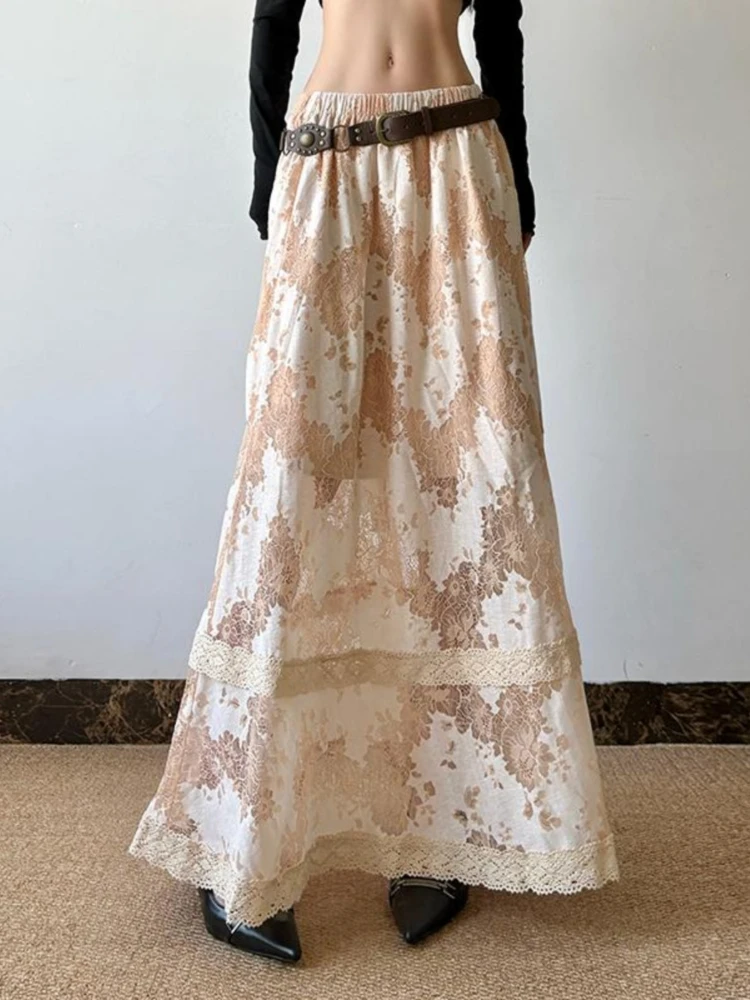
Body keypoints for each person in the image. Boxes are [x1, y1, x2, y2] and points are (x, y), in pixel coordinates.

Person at [129, 0, 620, 963]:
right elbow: (273, 30)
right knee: (292, 470)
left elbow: (502, 36)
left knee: (470, 467)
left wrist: (518, 185)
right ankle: (240, 845)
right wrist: (269, 180)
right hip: (326, 162)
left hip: (461, 162)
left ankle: (439, 821)